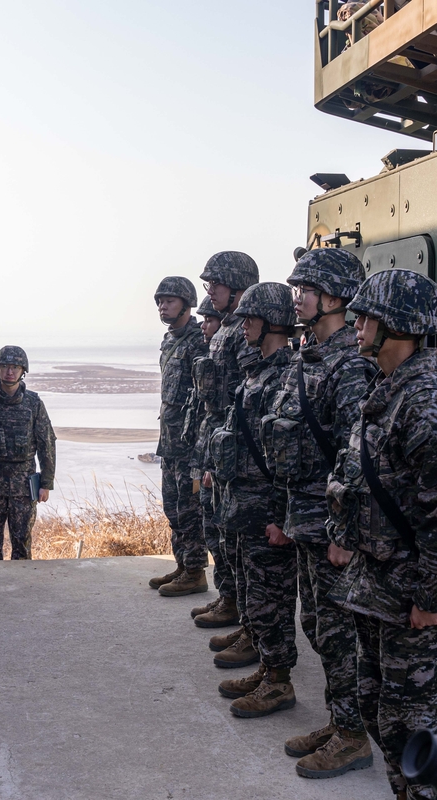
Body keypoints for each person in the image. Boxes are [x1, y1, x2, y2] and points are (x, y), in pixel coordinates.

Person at [327, 269, 437, 800]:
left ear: (398, 325)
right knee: (378, 709)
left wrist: (430, 599)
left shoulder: (424, 403)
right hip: (376, 588)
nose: (356, 326)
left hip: (409, 595)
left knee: (412, 725)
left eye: (366, 318)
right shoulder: (387, 391)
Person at [269, 247, 375, 779]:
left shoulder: (350, 366)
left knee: (338, 632)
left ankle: (354, 735)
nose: (297, 298)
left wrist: (346, 530)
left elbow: (356, 456)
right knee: (315, 622)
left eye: (305, 290)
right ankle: (340, 721)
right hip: (305, 516)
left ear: (332, 297)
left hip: (330, 524)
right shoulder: (307, 355)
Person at [211, 283, 300, 720]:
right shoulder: (257, 370)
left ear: (271, 323)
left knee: (273, 600)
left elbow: (291, 459)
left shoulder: (286, 375)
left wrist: (283, 517)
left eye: (250, 318)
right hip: (244, 504)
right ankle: (267, 668)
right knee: (252, 593)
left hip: (267, 509)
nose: (243, 324)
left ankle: (279, 682)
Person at [194, 252, 261, 663]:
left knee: (239, 542)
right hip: (218, 445)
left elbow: (245, 400)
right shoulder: (226, 330)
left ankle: (249, 622)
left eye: (215, 285)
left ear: (236, 286)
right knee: (221, 534)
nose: (210, 293)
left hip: (236, 451)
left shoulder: (246, 331)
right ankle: (232, 602)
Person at [149, 277, 210, 597]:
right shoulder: (169, 339)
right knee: (172, 508)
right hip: (169, 440)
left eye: (170, 301)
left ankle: (196, 571)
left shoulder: (198, 341)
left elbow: (204, 398)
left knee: (189, 509)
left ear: (187, 303)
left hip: (189, 443)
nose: (163, 306)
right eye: (160, 301)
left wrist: (200, 450)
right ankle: (184, 564)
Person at [0, 346, 56, 560]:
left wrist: (46, 483)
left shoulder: (33, 403)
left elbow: (46, 443)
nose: (9, 371)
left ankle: (22, 591)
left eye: (15, 367)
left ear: (23, 370)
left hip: (23, 486)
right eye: (4, 366)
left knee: (22, 544)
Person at [187, 295, 233, 624]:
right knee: (213, 533)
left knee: (224, 535)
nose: (204, 326)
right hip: (210, 454)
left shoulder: (231, 353)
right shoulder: (211, 353)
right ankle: (226, 598)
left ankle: (232, 604)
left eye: (209, 320)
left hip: (223, 461)